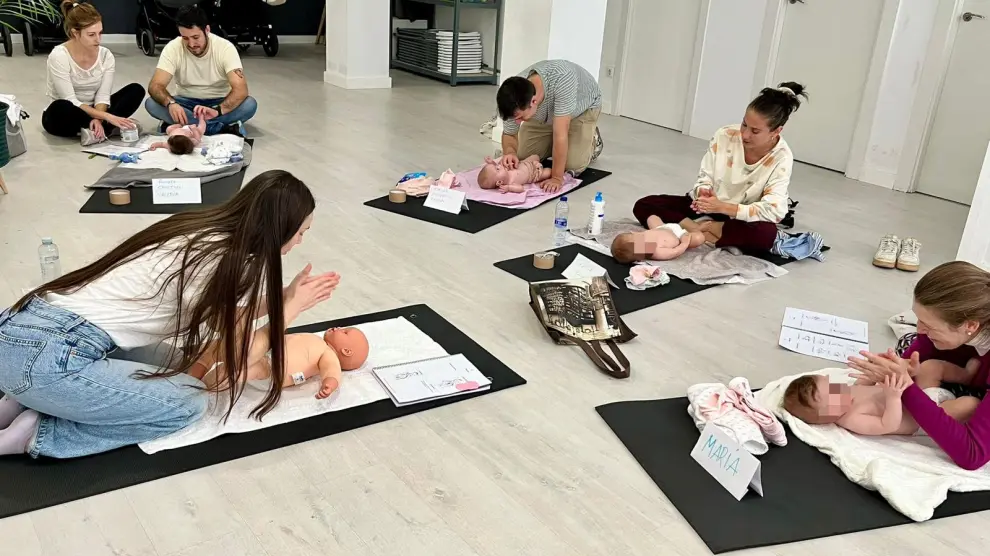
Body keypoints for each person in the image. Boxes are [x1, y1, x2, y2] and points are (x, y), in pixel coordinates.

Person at [0, 170, 339, 459]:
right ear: (280, 228)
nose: (299, 243)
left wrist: (285, 297)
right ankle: (38, 434)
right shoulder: (235, 263)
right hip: (50, 357)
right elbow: (240, 356)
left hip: (24, 330)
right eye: (300, 233)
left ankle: (22, 402)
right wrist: (291, 309)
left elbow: (231, 309)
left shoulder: (204, 232)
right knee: (188, 405)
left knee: (177, 364)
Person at [632, 82, 808, 255]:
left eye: (755, 131)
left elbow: (774, 211)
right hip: (710, 207)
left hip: (738, 216)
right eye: (744, 124)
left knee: (765, 235)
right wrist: (704, 193)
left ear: (776, 131)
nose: (745, 134)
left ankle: (702, 231)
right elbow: (705, 177)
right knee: (645, 204)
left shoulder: (781, 157)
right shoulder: (724, 135)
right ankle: (699, 230)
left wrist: (724, 207)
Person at [847, 261, 990, 470]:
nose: (920, 330)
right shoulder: (958, 328)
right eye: (918, 319)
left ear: (970, 325)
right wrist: (902, 368)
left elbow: (971, 455)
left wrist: (905, 387)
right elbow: (915, 356)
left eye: (929, 325)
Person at [41, 0, 145, 145]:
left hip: (95, 110)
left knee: (136, 90)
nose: (98, 39)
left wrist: (99, 117)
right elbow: (70, 99)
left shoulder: (105, 55)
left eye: (100, 33)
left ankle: (95, 128)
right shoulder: (59, 55)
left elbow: (103, 96)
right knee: (62, 107)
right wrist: (108, 117)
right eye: (91, 35)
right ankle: (106, 127)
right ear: (75, 33)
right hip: (68, 112)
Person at [145, 6, 257, 136]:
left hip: (219, 102)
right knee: (151, 103)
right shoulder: (173, 48)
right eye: (185, 38)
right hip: (185, 102)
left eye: (195, 37)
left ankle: (184, 125)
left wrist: (218, 110)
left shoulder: (225, 48)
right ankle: (221, 128)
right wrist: (171, 104)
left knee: (250, 104)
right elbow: (155, 86)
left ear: (207, 30)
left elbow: (241, 90)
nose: (191, 44)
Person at [496, 59, 603, 193]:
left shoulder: (563, 79)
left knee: (572, 166)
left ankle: (593, 141)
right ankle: (551, 138)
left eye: (520, 118)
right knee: (522, 157)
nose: (518, 122)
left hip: (581, 110)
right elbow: (510, 133)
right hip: (544, 115)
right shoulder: (512, 98)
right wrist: (510, 152)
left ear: (533, 101)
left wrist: (557, 178)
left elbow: (560, 136)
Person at [783, 372, 979, 436]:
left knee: (930, 367)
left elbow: (863, 385)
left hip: (921, 394)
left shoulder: (847, 393)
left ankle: (965, 374)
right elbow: (889, 425)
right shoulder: (852, 419)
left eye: (834, 385)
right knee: (969, 404)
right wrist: (893, 398)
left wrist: (873, 375)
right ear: (825, 418)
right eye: (833, 397)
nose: (840, 391)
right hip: (929, 417)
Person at [611, 215, 707, 264]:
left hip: (662, 227)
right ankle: (694, 229)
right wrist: (685, 243)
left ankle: (687, 226)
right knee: (699, 238)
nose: (634, 233)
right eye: (633, 236)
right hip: (680, 236)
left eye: (632, 234)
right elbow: (675, 252)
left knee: (652, 218)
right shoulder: (656, 252)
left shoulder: (640, 240)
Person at [478, 154, 551, 192]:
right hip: (535, 174)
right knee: (548, 172)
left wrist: (492, 162)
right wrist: (509, 188)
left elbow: (496, 167)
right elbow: (520, 188)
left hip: (527, 162)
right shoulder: (510, 182)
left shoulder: (504, 170)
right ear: (499, 182)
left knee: (536, 156)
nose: (499, 166)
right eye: (497, 169)